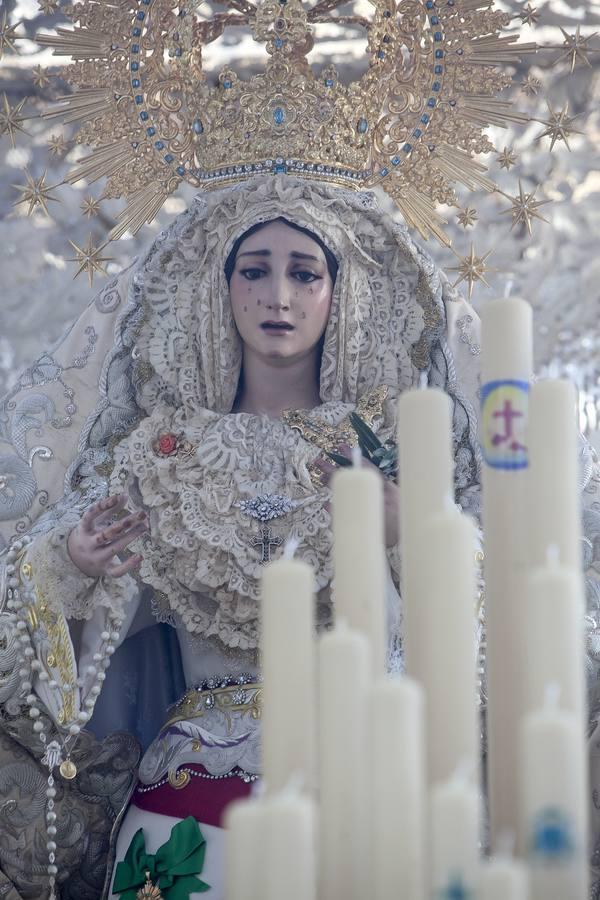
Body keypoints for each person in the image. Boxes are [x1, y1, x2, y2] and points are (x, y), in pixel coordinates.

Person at [0, 175, 598, 899]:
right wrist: (73, 563)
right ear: (220, 289)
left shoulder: (392, 451)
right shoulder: (161, 453)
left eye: (303, 272)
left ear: (337, 293)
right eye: (254, 270)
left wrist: (406, 532)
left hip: (353, 788)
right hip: (186, 799)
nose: (277, 295)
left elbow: (488, 609)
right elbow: (62, 622)